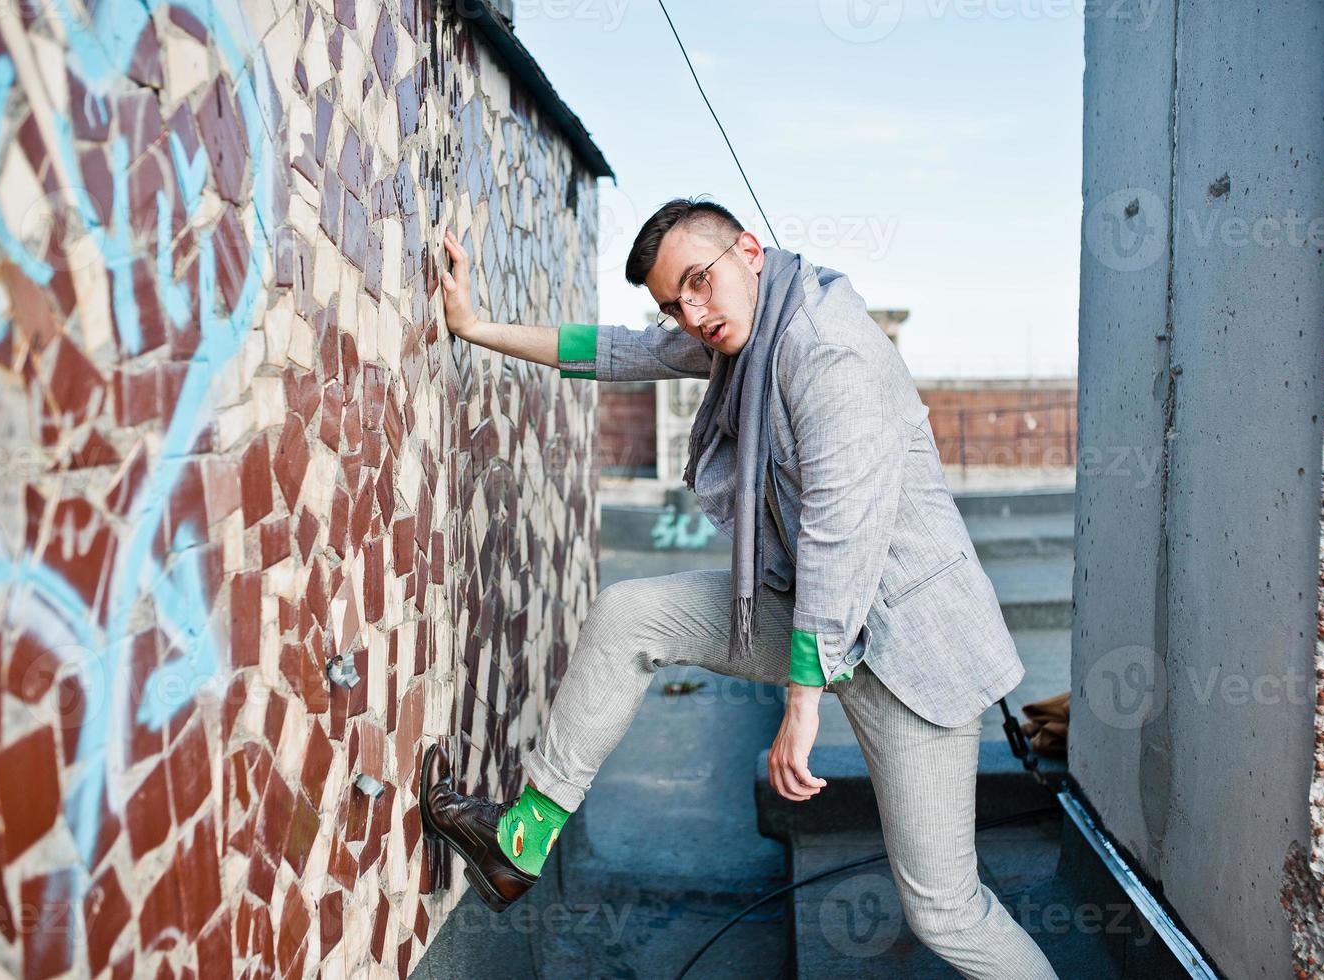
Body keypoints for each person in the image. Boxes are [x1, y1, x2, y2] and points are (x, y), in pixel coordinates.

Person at [420, 197, 1059, 978]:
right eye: (672, 302)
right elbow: (622, 351)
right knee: (630, 615)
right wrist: (475, 327)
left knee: (944, 910)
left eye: (698, 283)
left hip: (909, 654)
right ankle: (519, 842)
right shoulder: (740, 337)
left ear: (748, 251)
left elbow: (839, 535)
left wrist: (801, 705)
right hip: (809, 616)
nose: (690, 315)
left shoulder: (829, 351)